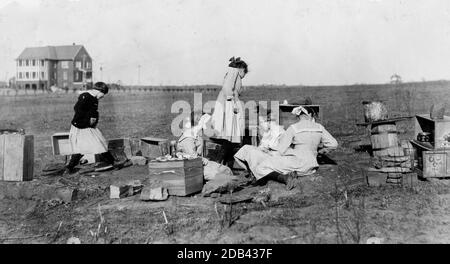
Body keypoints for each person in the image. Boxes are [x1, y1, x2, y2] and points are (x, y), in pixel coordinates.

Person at [234, 106, 338, 189]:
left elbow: (281, 150)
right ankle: (284, 175)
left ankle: (284, 178)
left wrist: (269, 151)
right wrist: (320, 151)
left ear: (299, 116)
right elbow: (333, 144)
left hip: (298, 163)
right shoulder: (319, 127)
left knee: (262, 166)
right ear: (310, 115)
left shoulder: (294, 128)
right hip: (312, 165)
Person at [64, 82, 118, 175]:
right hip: (81, 127)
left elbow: (93, 112)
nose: (103, 96)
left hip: (88, 127)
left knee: (97, 143)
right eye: (103, 94)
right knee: (92, 145)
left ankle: (69, 168)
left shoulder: (94, 99)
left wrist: (93, 120)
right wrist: (87, 121)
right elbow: (78, 109)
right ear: (99, 91)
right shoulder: (85, 96)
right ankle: (113, 162)